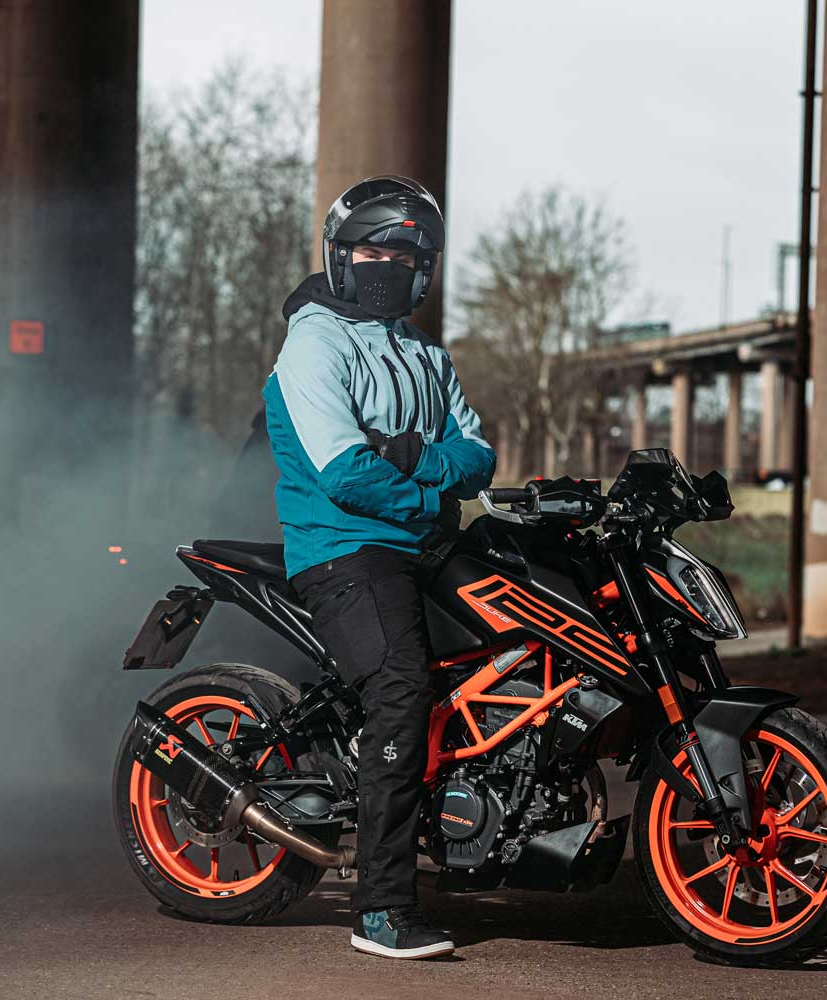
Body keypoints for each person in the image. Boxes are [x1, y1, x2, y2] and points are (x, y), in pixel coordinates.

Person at [263, 176, 496, 960]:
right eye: (374, 247)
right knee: (402, 686)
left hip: (418, 541)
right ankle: (381, 908)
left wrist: (418, 460)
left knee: (518, 635)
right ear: (342, 255)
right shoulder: (314, 343)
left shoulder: (427, 353)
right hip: (343, 548)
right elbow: (345, 474)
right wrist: (433, 482)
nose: (389, 261)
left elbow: (479, 452)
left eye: (406, 250)